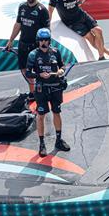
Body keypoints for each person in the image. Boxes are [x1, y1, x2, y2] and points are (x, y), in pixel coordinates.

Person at [25, 28, 70, 156]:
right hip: (41, 89)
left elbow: (62, 65)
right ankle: (41, 143)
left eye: (45, 40)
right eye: (41, 40)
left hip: (56, 88)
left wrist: (61, 70)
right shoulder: (33, 55)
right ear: (38, 41)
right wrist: (39, 74)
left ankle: (58, 140)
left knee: (57, 112)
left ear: (49, 40)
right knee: (41, 115)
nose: (43, 42)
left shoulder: (56, 52)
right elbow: (28, 73)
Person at [5, 0, 51, 100]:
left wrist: (45, 47)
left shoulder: (42, 10)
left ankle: (39, 92)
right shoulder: (22, 7)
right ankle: (32, 92)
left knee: (36, 70)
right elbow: (18, 24)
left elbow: (47, 30)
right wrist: (10, 40)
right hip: (23, 43)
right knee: (24, 69)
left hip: (35, 46)